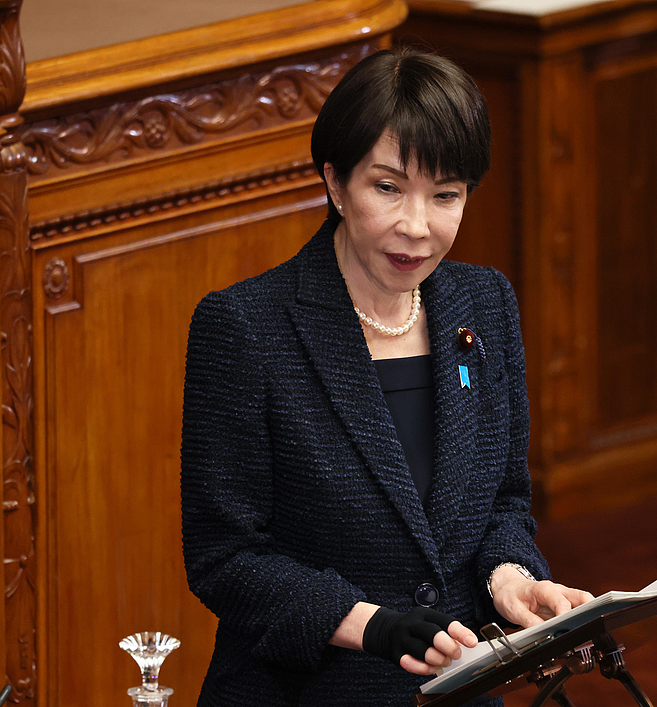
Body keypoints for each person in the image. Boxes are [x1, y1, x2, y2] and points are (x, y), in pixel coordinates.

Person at [181, 47, 592, 707]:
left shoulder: (485, 306)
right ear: (335, 182)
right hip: (305, 692)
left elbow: (505, 504)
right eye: (388, 186)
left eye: (446, 195)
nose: (417, 226)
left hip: (459, 690)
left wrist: (510, 578)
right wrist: (370, 626)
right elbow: (225, 558)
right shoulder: (244, 326)